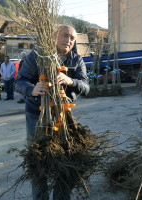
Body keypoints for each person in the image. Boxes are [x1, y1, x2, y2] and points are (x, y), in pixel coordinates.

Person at [14, 25, 90, 200]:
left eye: (72, 38)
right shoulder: (37, 57)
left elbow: (86, 87)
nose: (69, 41)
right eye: (65, 36)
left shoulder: (76, 60)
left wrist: (71, 81)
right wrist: (33, 89)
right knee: (39, 160)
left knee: (64, 160)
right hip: (37, 115)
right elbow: (19, 82)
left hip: (64, 116)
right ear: (55, 36)